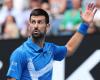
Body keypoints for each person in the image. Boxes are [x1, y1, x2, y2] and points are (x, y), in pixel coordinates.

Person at [6, 3, 97, 80]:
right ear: (29, 26)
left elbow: (69, 48)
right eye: (33, 22)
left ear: (48, 27)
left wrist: (85, 25)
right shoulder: (20, 53)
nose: (36, 26)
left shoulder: (50, 49)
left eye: (40, 22)